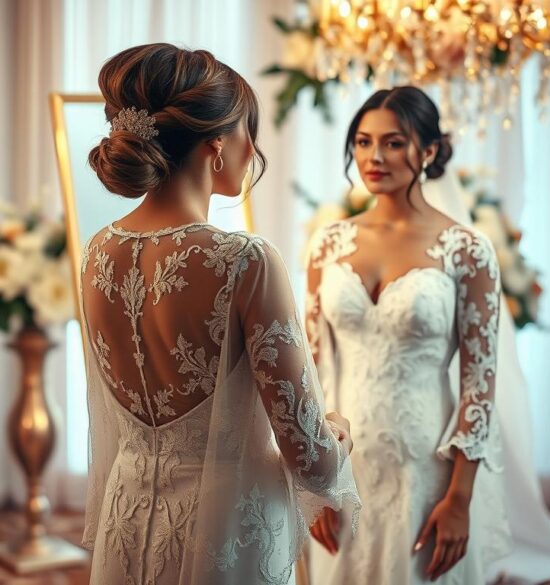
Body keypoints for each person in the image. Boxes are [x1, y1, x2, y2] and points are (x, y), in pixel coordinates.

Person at [79, 43, 361, 585]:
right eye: (245, 130)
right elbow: (314, 461)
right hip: (227, 534)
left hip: (128, 515)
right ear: (215, 145)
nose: (252, 147)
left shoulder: (97, 251)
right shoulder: (244, 260)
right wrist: (339, 429)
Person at [306, 86, 511, 584]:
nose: (375, 157)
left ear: (430, 150)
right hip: (343, 464)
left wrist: (459, 498)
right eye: (362, 141)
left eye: (394, 143)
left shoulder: (467, 249)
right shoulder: (328, 243)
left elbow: (479, 383)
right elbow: (308, 369)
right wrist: (311, 480)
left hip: (425, 467)